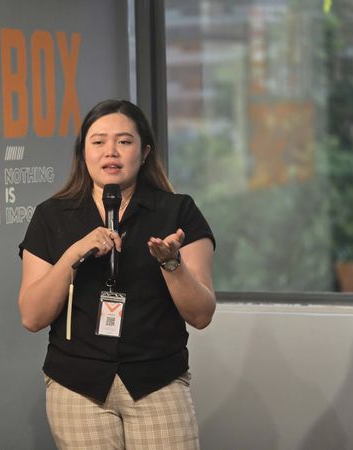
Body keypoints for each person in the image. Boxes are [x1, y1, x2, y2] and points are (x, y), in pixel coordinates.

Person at [18, 99, 216, 449]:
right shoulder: (52, 216)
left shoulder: (177, 211)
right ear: (83, 152)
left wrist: (172, 264)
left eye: (124, 141)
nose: (111, 151)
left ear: (145, 152)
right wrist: (73, 254)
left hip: (156, 382)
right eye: (98, 142)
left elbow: (201, 315)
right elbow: (32, 316)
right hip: (77, 386)